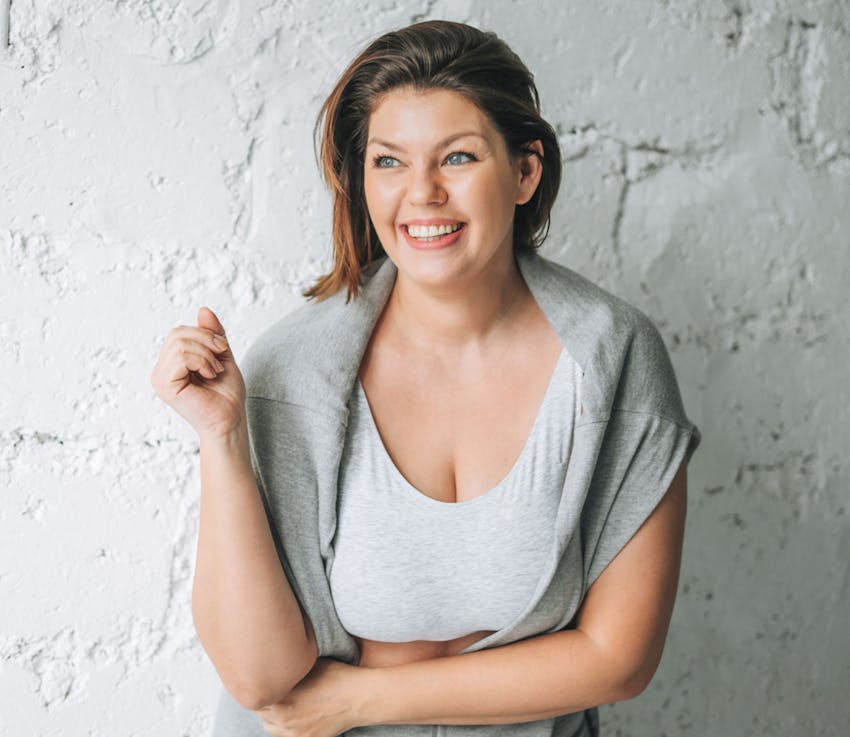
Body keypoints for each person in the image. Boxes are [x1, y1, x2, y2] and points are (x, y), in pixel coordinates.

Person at [150, 19, 700, 737]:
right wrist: (223, 438)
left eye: (459, 157)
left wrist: (359, 700)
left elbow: (619, 656)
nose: (422, 194)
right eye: (389, 162)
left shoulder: (616, 359)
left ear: (526, 170)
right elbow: (261, 679)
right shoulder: (294, 370)